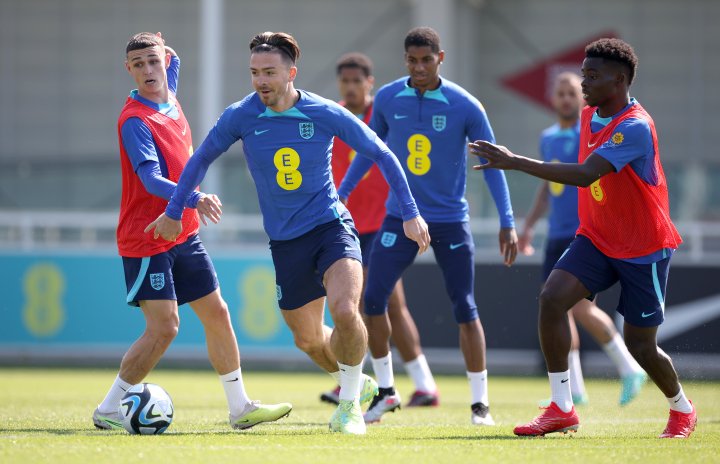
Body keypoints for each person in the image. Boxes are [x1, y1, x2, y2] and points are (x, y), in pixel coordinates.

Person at [145, 32, 431, 435]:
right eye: (254, 73)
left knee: (347, 310)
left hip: (332, 226)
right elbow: (201, 159)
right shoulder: (240, 116)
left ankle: (348, 406)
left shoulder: (323, 111)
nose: (261, 80)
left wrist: (410, 213)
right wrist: (175, 210)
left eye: (270, 72)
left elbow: (381, 152)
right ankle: (358, 381)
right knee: (309, 340)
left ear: (291, 73)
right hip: (285, 243)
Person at [470, 38, 696, 438]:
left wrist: (514, 162)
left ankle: (681, 408)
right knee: (551, 299)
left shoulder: (635, 126)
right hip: (596, 237)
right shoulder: (588, 114)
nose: (584, 82)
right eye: (583, 73)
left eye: (593, 75)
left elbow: (586, 173)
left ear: (620, 79)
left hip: (643, 247)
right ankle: (562, 407)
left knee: (640, 346)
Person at [93, 32, 291, 431]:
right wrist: (195, 197)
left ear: (165, 60)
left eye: (154, 61)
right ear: (128, 70)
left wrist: (163, 47)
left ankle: (240, 408)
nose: (149, 71)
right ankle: (109, 408)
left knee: (217, 312)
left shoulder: (170, 91)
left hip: (183, 233)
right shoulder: (135, 121)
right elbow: (150, 179)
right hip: (147, 235)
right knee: (165, 327)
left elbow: (173, 63)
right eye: (138, 64)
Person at [338, 27, 517, 425]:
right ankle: (385, 392)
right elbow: (370, 150)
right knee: (372, 300)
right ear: (405, 60)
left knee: (465, 307)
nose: (419, 67)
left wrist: (507, 221)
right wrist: (343, 193)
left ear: (441, 58)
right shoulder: (387, 98)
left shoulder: (465, 105)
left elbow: (493, 165)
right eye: (412, 60)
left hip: (450, 221)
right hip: (400, 217)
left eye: (426, 59)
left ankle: (479, 405)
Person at [519, 72, 647, 407]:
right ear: (552, 99)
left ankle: (628, 366)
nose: (565, 99)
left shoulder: (589, 132)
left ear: (581, 96)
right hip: (555, 235)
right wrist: (529, 224)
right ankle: (574, 389)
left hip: (584, 234)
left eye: (571, 92)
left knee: (578, 308)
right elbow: (549, 185)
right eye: (559, 93)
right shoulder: (548, 138)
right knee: (561, 310)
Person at [320, 52, 440, 408]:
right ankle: (414, 384)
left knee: (377, 303)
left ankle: (378, 383)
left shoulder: (384, 115)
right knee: (373, 304)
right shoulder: (334, 115)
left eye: (358, 81)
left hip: (383, 225)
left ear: (370, 83)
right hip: (347, 227)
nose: (352, 87)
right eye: (346, 82)